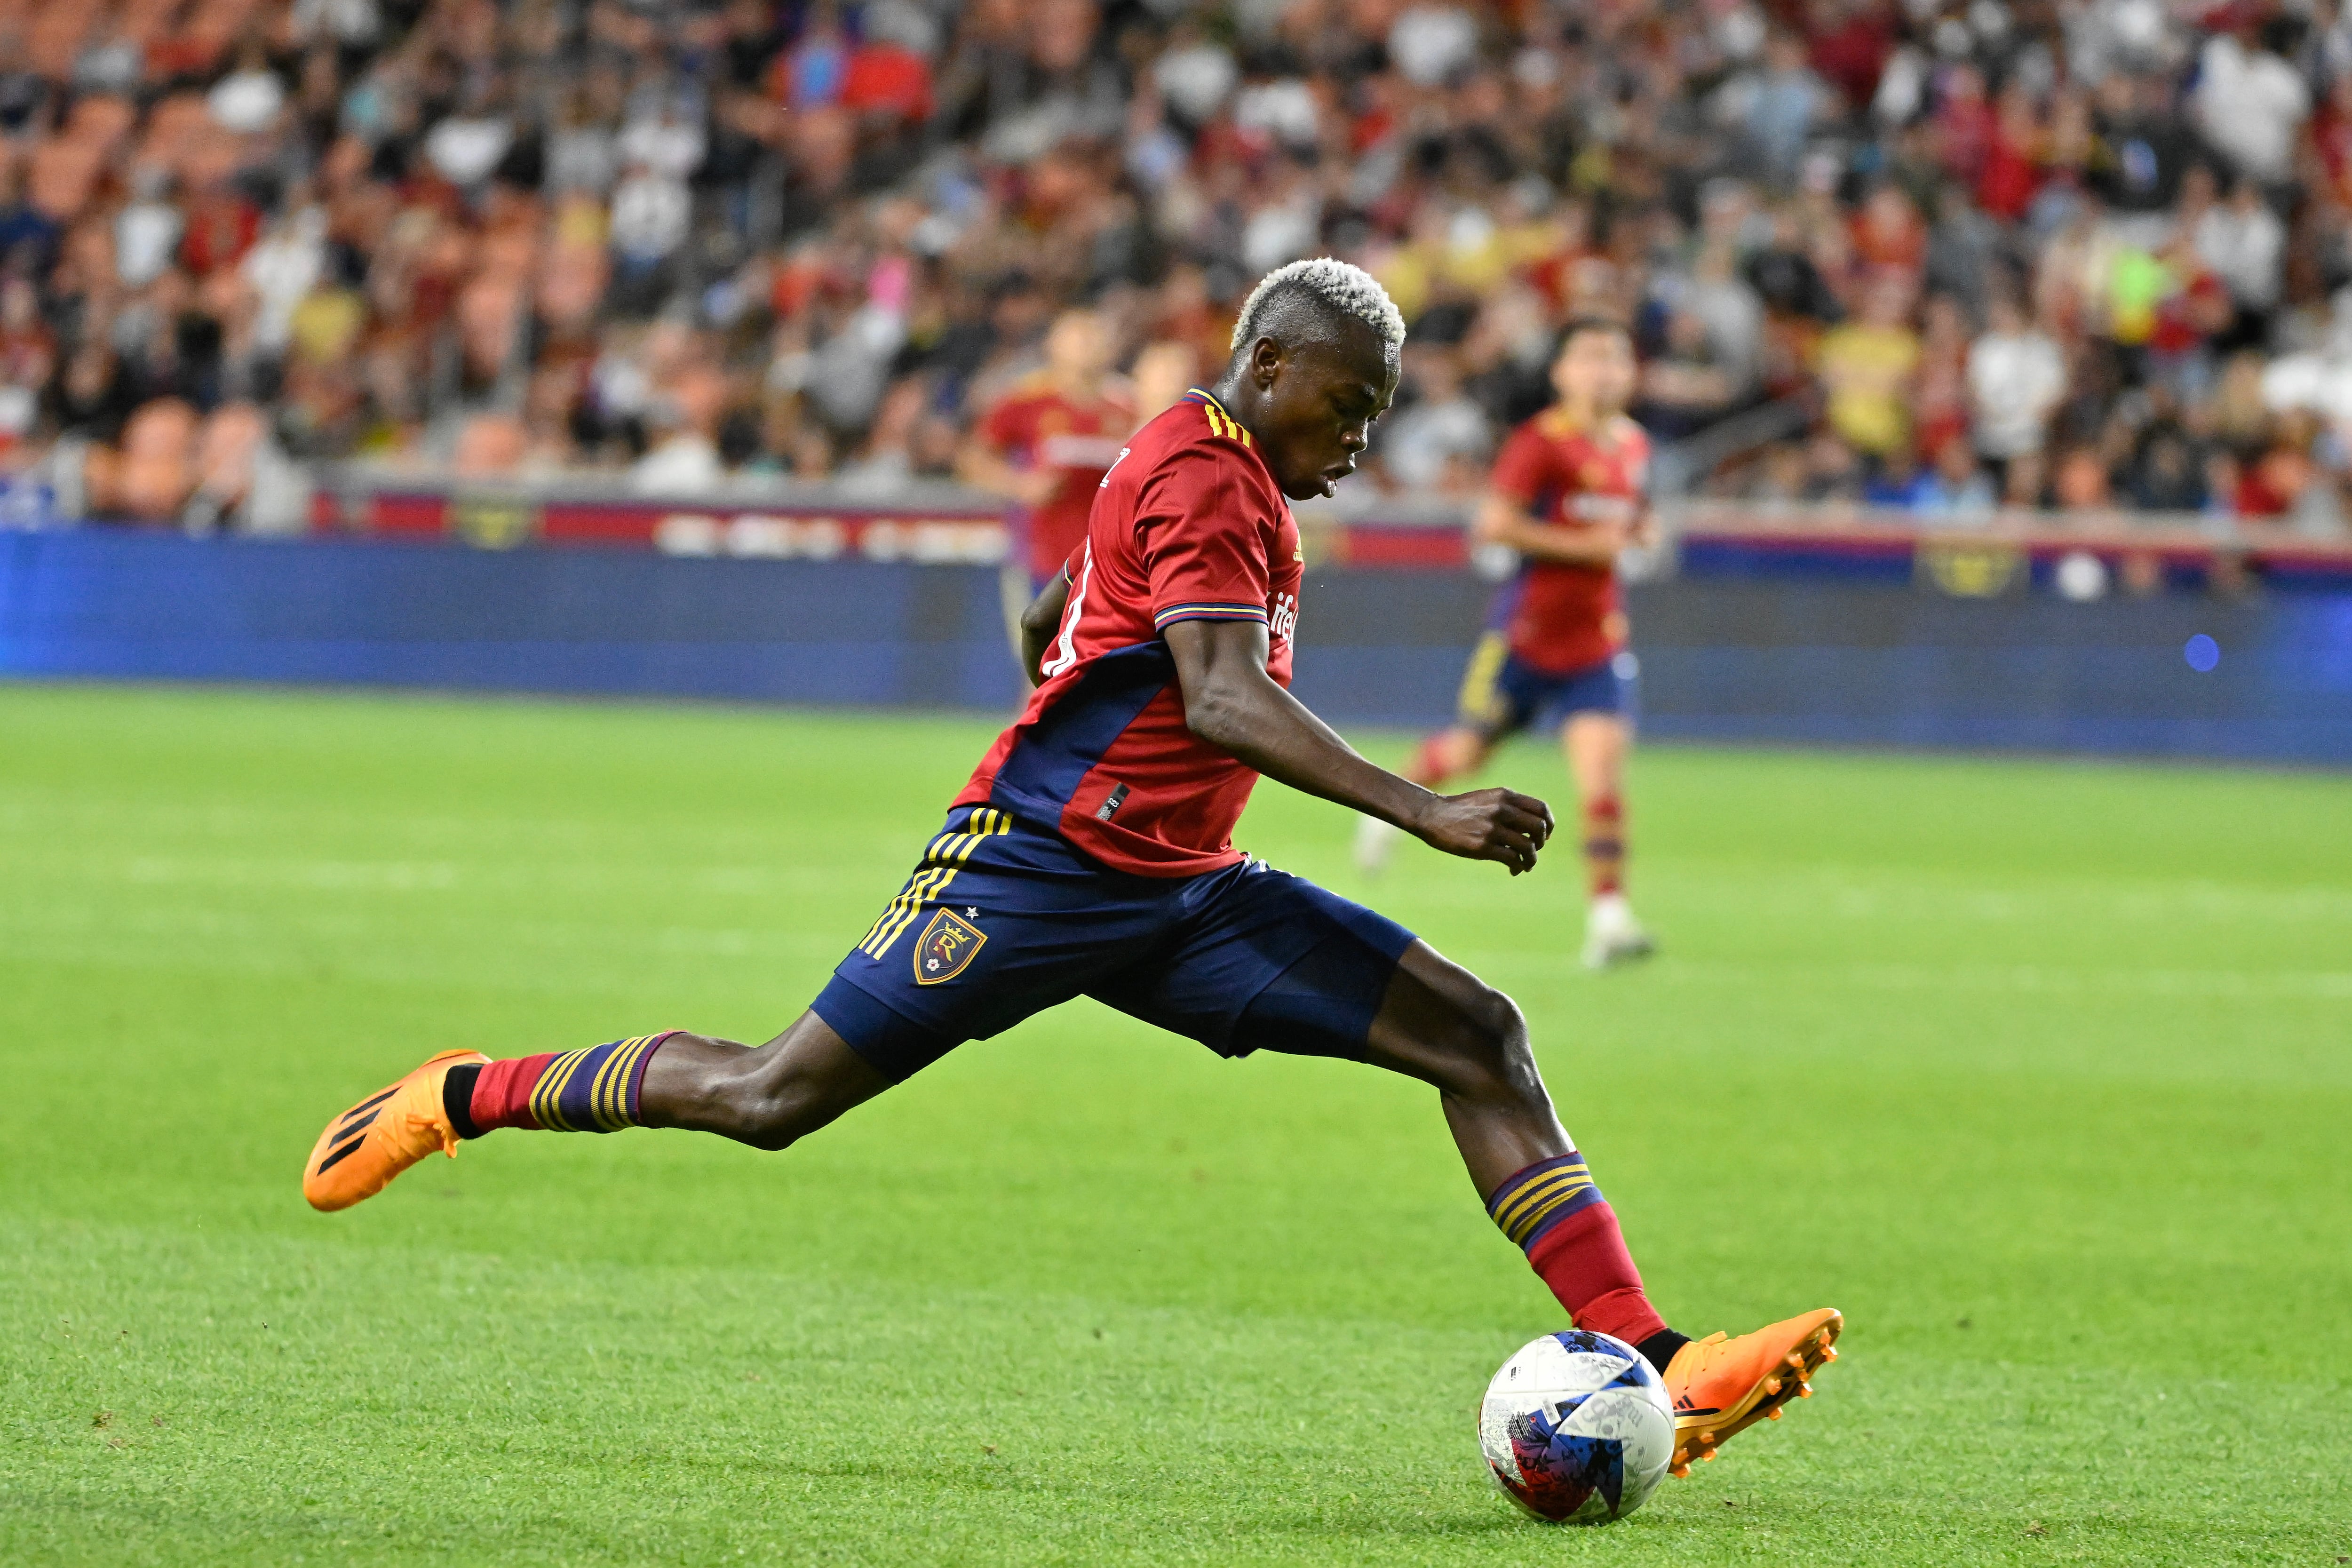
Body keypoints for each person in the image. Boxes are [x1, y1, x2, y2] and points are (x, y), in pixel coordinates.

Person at [302, 261, 1838, 1482]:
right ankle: (463, 1092)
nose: (1363, 445)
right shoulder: (1211, 477)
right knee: (770, 1098)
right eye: (1353, 410)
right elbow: (1222, 695)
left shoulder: (1196, 455)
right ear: (1274, 371)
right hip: (1031, 873)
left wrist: (1066, 635)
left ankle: (1660, 1357)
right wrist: (1417, 806)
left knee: (1479, 1034)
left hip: (1176, 889)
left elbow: (1071, 599)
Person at [1356, 318, 1661, 971]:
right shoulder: (1540, 443)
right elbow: (1496, 525)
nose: (1604, 371)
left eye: (1615, 358)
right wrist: (1588, 546)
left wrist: (1641, 537)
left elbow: (1632, 524)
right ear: (1562, 373)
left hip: (1596, 644)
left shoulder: (1635, 447)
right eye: (1590, 357)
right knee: (1465, 752)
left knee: (1602, 780)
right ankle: (1386, 808)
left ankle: (1609, 917)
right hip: (1525, 637)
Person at [958, 306, 1136, 649]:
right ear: (1053, 345)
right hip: (1041, 557)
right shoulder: (1027, 400)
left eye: (1094, 335)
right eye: (1076, 335)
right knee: (1043, 666)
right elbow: (972, 457)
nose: (1087, 343)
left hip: (1112, 563)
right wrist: (1020, 485)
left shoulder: (1129, 406)